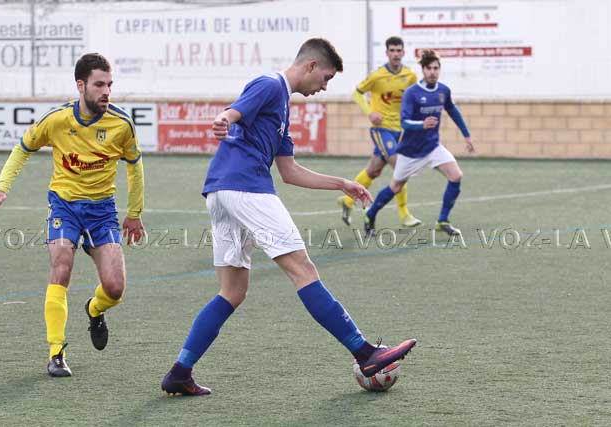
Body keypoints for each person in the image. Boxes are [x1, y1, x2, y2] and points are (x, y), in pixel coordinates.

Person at [160, 38, 417, 396]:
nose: (324, 87)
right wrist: (223, 119)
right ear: (311, 66)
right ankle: (365, 354)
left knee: (232, 291)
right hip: (247, 189)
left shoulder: (282, 107)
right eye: (326, 78)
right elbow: (233, 112)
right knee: (303, 269)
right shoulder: (270, 85)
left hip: (221, 193)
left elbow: (290, 171)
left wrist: (343, 184)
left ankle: (180, 371)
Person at [0, 53, 145, 377]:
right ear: (80, 85)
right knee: (61, 267)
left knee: (115, 289)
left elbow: (134, 167)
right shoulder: (57, 120)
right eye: (99, 85)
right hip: (65, 207)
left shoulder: (121, 124)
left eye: (110, 85)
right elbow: (23, 148)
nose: (106, 92)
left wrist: (134, 213)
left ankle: (94, 309)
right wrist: (2, 186)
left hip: (102, 212)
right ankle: (56, 353)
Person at [364, 49, 474, 237]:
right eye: (429, 68)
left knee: (456, 176)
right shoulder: (412, 93)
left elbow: (453, 111)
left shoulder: (443, 91)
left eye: (436, 68)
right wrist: (422, 124)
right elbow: (404, 122)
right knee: (395, 187)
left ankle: (442, 220)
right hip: (410, 152)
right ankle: (370, 214)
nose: (433, 72)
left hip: (432, 147)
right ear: (423, 70)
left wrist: (466, 135)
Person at [338, 36, 421, 228]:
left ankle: (347, 201)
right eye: (392, 51)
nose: (395, 54)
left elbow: (413, 101)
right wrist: (370, 112)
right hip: (381, 129)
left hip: (401, 130)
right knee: (400, 167)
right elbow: (357, 93)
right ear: (387, 53)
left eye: (398, 50)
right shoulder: (377, 76)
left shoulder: (410, 76)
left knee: (374, 170)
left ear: (403, 52)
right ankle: (404, 214)